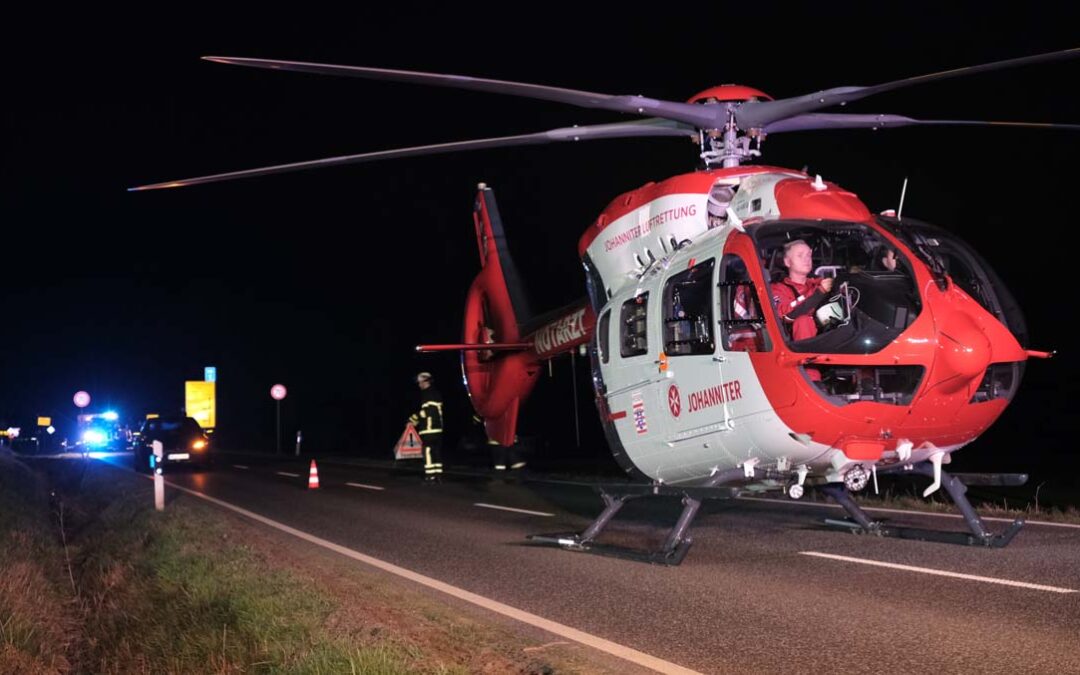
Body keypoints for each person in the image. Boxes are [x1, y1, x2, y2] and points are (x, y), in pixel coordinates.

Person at [770, 239, 834, 341]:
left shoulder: (818, 283)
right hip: (798, 348)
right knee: (803, 321)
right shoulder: (777, 289)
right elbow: (787, 315)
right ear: (787, 262)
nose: (806, 259)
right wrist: (819, 292)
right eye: (800, 255)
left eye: (808, 255)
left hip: (830, 342)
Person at [408, 372, 443, 481]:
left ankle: (430, 476)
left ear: (426, 381)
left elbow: (427, 412)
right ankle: (438, 475)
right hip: (437, 428)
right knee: (436, 451)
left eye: (420, 382)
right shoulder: (436, 393)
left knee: (427, 451)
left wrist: (413, 420)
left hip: (429, 428)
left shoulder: (428, 394)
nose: (419, 385)